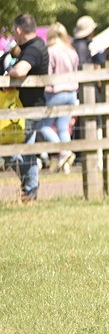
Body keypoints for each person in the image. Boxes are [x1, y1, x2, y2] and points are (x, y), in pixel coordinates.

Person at [5, 14, 49, 201]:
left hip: (29, 108)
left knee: (18, 151)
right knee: (22, 150)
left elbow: (20, 70)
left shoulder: (34, 48)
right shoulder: (33, 46)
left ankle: (29, 190)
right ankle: (29, 190)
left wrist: (9, 73)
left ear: (18, 30)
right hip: (23, 108)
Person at [38, 23, 80, 172]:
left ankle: (64, 151)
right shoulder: (72, 52)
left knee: (43, 126)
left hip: (55, 92)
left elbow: (48, 75)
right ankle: (66, 164)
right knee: (63, 128)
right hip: (71, 92)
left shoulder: (51, 52)